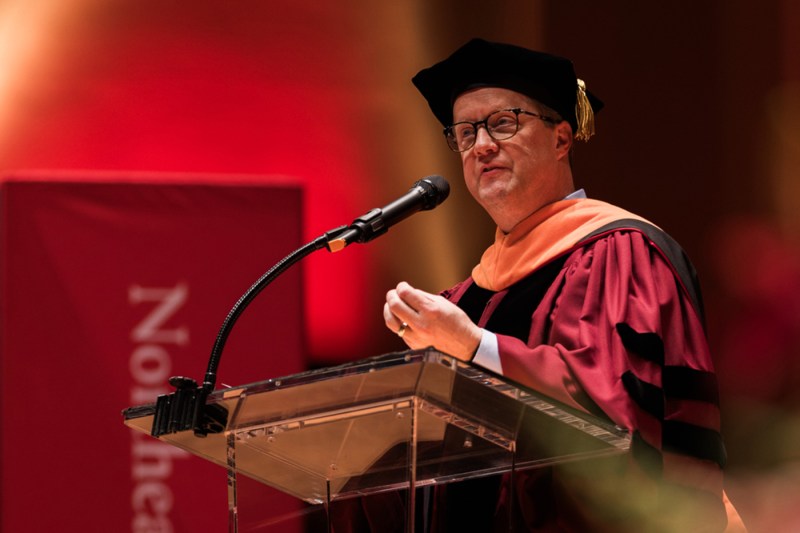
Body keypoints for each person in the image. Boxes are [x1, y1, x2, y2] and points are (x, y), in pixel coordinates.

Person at [378, 38, 745, 531]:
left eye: (502, 123)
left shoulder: (622, 252)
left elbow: (614, 409)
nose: (481, 145)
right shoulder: (464, 300)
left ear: (561, 139)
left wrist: (475, 347)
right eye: (465, 133)